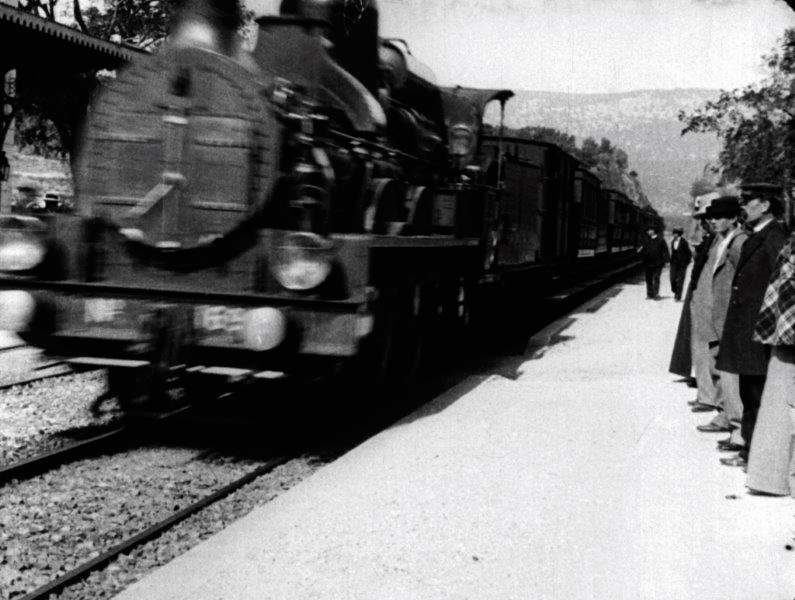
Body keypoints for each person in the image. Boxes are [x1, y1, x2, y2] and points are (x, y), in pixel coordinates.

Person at [715, 183, 788, 468]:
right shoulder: (762, 235)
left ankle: (756, 458)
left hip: (759, 330)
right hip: (747, 328)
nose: (743, 206)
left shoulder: (774, 237)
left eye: (748, 201)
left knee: (756, 392)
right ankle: (749, 451)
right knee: (749, 390)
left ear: (766, 205)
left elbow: (781, 284)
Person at [691, 197, 747, 450]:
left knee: (728, 369)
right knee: (717, 363)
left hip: (727, 314)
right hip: (714, 313)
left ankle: (733, 420)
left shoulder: (738, 242)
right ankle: (725, 414)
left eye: (720, 216)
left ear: (734, 218)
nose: (713, 220)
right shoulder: (719, 240)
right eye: (711, 217)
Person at [745, 233, 795, 495]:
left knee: (780, 406)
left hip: (788, 332)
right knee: (779, 405)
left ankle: (772, 479)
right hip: (785, 333)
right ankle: (771, 479)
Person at [637, 226, 669, 300]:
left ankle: (655, 294)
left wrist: (667, 261)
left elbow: (665, 250)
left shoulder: (660, 239)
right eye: (647, 231)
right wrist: (639, 250)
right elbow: (642, 248)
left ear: (653, 231)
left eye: (649, 230)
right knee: (648, 279)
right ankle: (649, 294)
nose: (648, 232)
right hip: (648, 263)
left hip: (658, 263)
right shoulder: (646, 240)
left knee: (656, 278)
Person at [668, 227, 691, 301]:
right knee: (672, 279)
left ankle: (678, 296)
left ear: (679, 234)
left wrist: (686, 263)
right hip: (674, 264)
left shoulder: (684, 242)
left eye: (675, 233)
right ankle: (675, 291)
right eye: (673, 233)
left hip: (682, 265)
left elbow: (689, 254)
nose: (674, 235)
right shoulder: (672, 242)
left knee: (680, 281)